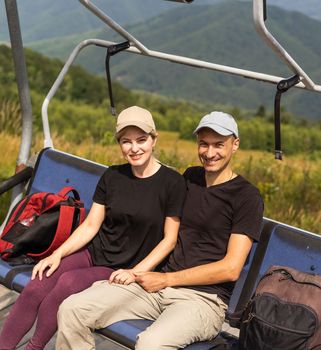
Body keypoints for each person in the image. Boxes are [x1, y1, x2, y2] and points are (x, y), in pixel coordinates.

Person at [56, 111, 264, 350]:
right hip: (155, 287)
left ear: (235, 144)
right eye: (204, 144)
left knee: (151, 344)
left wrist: (166, 279)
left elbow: (231, 268)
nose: (209, 153)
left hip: (202, 299)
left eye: (219, 145)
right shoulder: (190, 177)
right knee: (72, 309)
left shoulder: (246, 197)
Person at [0, 106, 186, 350]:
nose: (134, 148)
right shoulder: (113, 176)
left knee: (66, 284)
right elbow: (90, 225)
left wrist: (135, 272)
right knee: (39, 280)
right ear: (120, 144)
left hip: (122, 267)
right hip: (94, 253)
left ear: (154, 139)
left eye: (141, 140)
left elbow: (169, 240)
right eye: (126, 142)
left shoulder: (172, 183)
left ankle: (33, 348)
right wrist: (57, 254)